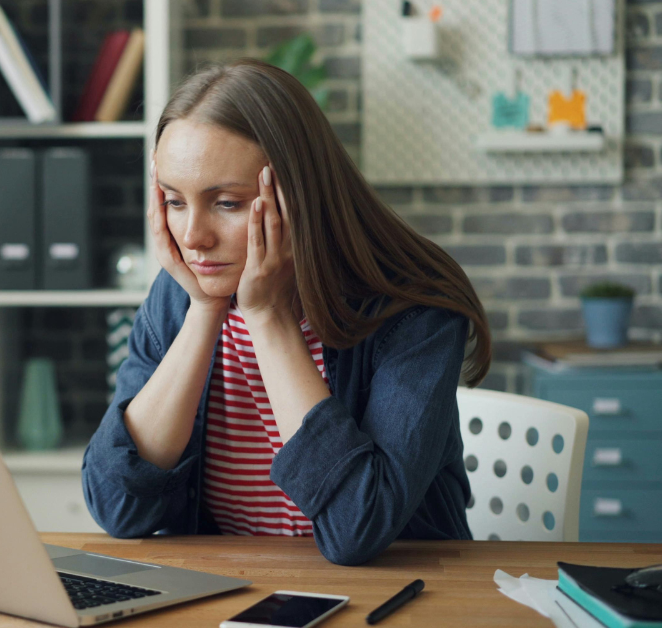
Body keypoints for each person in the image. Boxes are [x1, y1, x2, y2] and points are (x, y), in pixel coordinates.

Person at [81, 59, 492, 566]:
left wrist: (269, 317)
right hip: (232, 590)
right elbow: (116, 507)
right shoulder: (182, 295)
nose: (193, 238)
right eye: (173, 201)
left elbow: (356, 529)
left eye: (227, 203)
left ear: (301, 195)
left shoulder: (413, 309)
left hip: (395, 599)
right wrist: (205, 310)